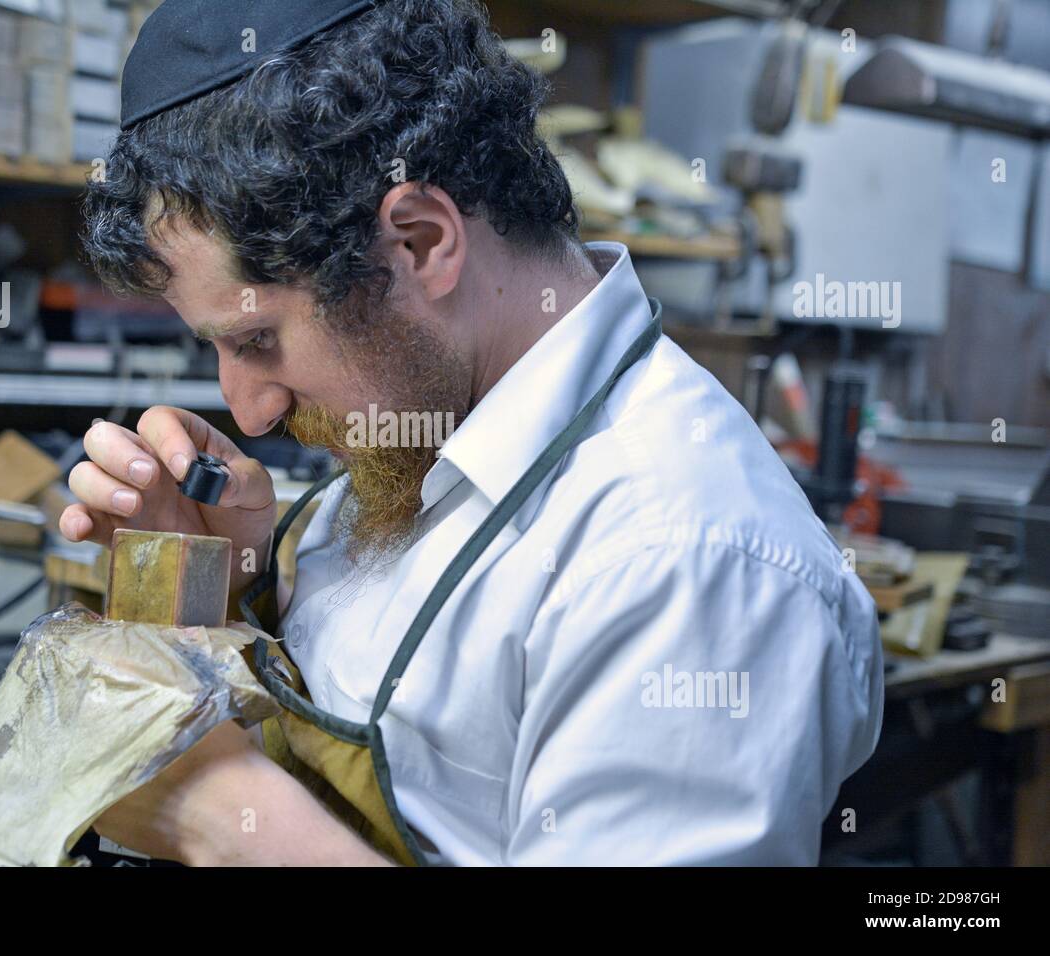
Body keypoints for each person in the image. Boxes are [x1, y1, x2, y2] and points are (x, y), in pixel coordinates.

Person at [61, 0, 883, 865]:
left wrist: (219, 817)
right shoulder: (426, 431)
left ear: (419, 241)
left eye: (258, 339)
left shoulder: (685, 561)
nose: (253, 412)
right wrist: (242, 582)